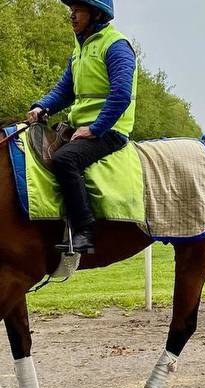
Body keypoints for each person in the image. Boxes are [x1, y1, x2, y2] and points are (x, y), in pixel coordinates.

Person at [27, 0, 137, 254]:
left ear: (96, 13)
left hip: (109, 131)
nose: (72, 16)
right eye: (71, 10)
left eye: (78, 11)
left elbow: (121, 94)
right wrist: (42, 107)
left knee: (65, 160)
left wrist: (96, 128)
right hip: (81, 128)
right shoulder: (80, 49)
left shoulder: (117, 46)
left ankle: (84, 231)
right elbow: (64, 90)